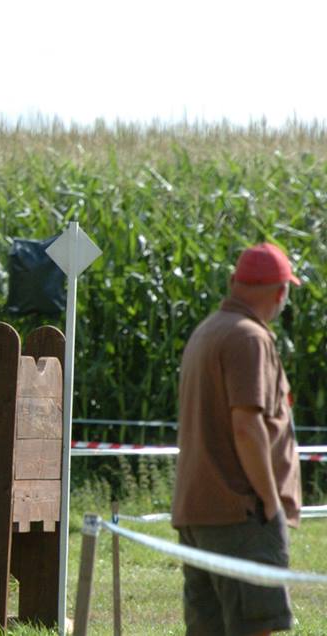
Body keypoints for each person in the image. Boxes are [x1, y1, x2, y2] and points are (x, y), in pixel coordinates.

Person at [171, 242, 302, 636]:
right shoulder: (249, 338)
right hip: (240, 514)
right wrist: (269, 502)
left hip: (199, 511)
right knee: (254, 628)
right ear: (281, 292)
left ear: (233, 282)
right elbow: (247, 427)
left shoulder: (208, 330)